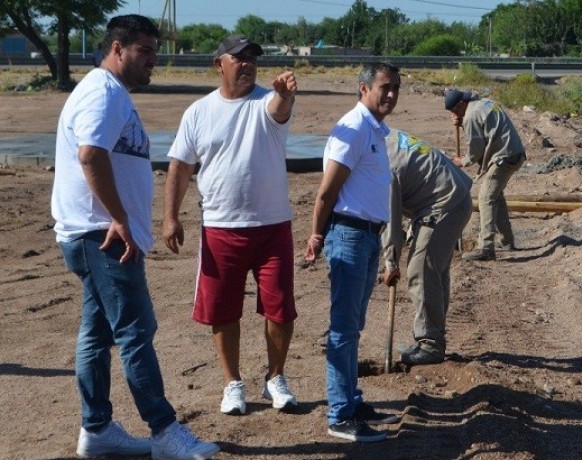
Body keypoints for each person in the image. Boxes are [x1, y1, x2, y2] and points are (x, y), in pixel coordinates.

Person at [50, 14, 219, 460]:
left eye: (154, 52)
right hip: (101, 236)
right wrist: (120, 218)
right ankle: (164, 432)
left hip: (95, 233)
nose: (153, 62)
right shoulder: (103, 93)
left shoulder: (109, 93)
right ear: (117, 48)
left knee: (97, 332)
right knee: (136, 329)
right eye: (144, 51)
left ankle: (98, 430)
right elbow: (90, 156)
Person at [162, 35, 299, 416]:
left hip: (272, 226)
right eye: (238, 57)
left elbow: (279, 109)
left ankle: (275, 378)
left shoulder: (266, 103)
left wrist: (285, 95)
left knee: (280, 309)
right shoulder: (198, 112)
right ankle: (232, 383)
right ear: (218, 63)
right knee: (223, 312)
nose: (247, 63)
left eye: (253, 57)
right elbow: (181, 166)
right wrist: (171, 216)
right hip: (221, 227)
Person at [305, 62, 402, 443]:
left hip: (367, 236)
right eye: (384, 87)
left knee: (354, 326)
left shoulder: (374, 129)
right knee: (344, 329)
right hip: (348, 235)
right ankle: (340, 414)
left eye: (395, 87)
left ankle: (352, 399)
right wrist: (315, 233)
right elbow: (327, 191)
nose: (391, 94)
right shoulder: (356, 128)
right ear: (363, 89)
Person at [380, 129, 472, 365]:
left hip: (445, 204)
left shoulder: (382, 163)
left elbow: (390, 217)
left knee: (420, 271)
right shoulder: (388, 138)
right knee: (435, 272)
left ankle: (430, 344)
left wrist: (390, 261)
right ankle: (432, 337)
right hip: (455, 198)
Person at [444, 89, 526, 261]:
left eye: (454, 111)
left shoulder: (471, 116)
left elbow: (475, 151)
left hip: (505, 157)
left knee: (485, 197)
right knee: (495, 195)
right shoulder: (482, 103)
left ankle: (486, 248)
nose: (454, 114)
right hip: (513, 152)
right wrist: (461, 122)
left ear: (460, 106)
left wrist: (462, 161)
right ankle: (507, 240)